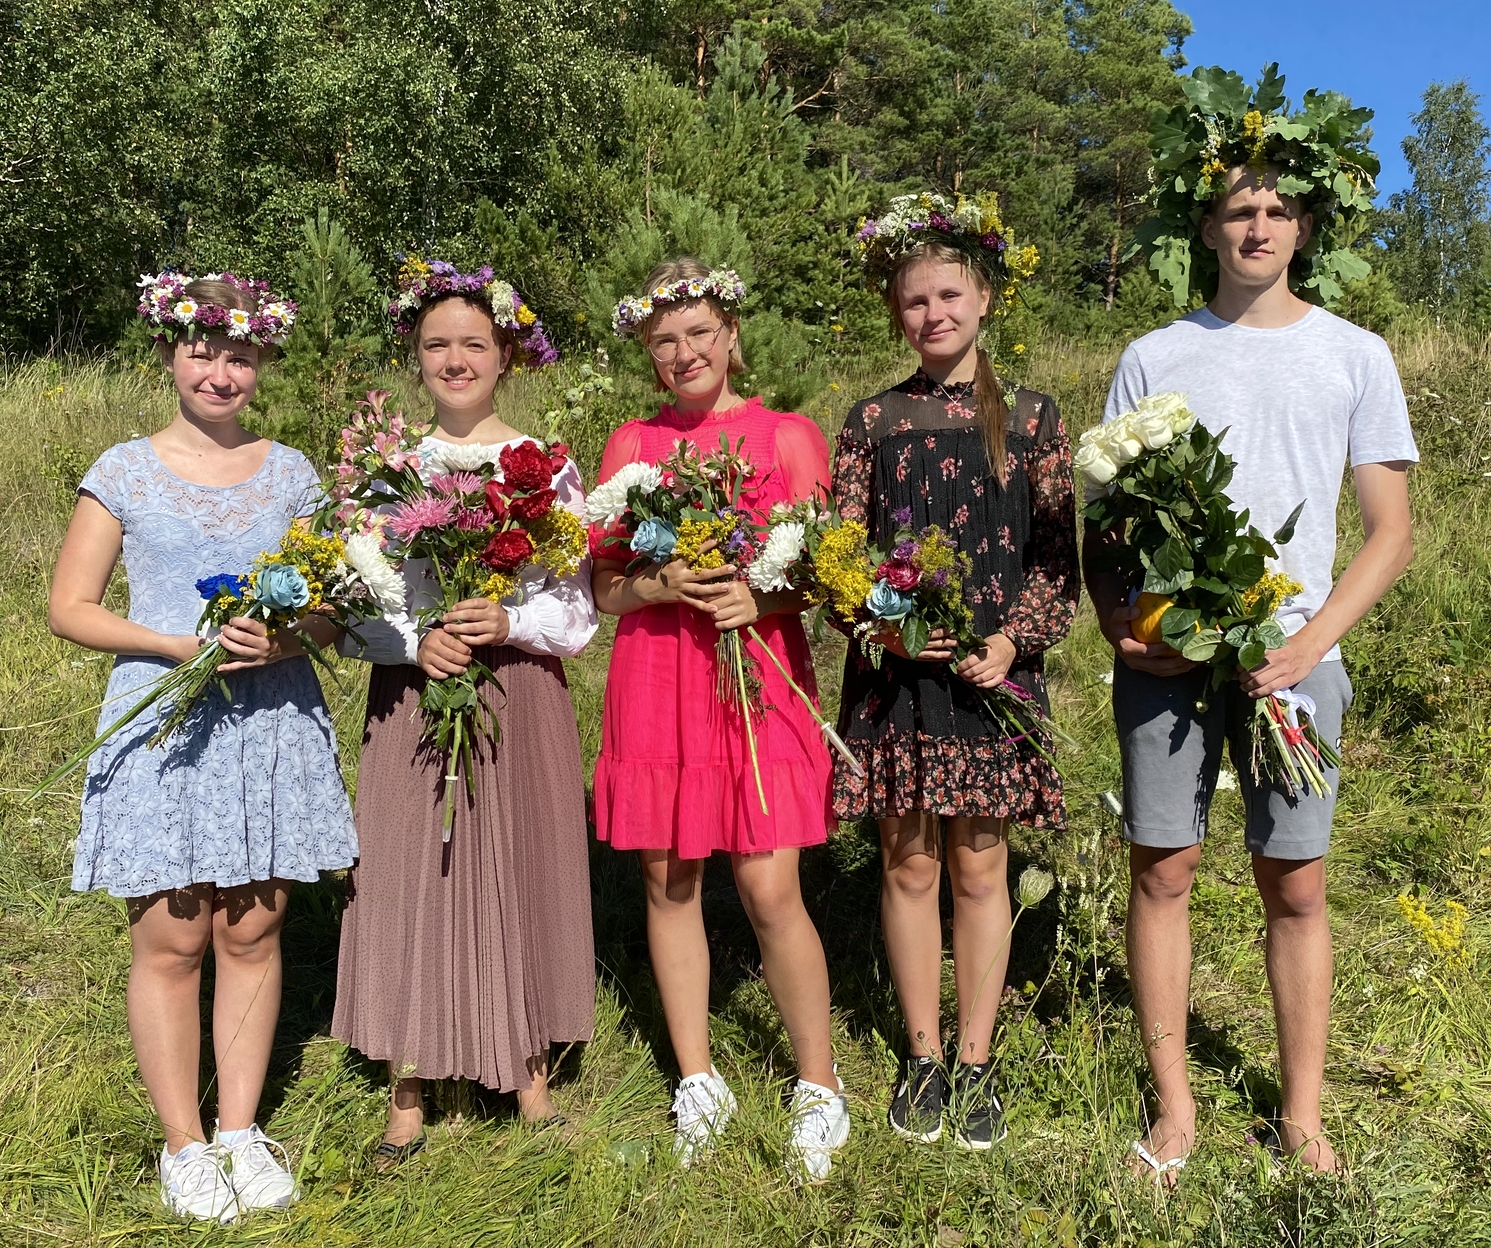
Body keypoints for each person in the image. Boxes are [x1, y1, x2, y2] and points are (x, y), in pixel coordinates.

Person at [1092, 69, 1415, 1184]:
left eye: (1278, 209)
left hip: (1296, 658)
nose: (1259, 226)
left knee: (1298, 883)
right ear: (1207, 225)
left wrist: (1309, 645)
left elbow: (1388, 533)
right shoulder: (1155, 355)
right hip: (1171, 656)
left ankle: (1303, 1118)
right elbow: (1108, 521)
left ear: (1306, 227)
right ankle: (1175, 1110)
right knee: (1164, 869)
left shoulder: (1355, 353)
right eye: (1239, 208)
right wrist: (1121, 622)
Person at [48, 273, 356, 1222]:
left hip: (270, 722)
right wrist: (180, 645)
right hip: (165, 726)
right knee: (173, 938)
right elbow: (70, 608)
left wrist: (289, 639)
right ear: (168, 353)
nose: (220, 373)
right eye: (202, 352)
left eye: (240, 357)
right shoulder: (123, 471)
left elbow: (334, 612)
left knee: (252, 930)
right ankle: (183, 1143)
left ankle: (240, 1132)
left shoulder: (293, 473)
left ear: (261, 364)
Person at [328, 259, 596, 1163]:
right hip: (417, 693)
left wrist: (508, 619)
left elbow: (577, 607)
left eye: (473, 344)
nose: (455, 360)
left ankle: (527, 1072)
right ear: (415, 354)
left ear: (505, 354)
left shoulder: (548, 466)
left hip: (518, 689)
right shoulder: (387, 468)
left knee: (516, 863)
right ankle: (408, 1085)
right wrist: (416, 642)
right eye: (436, 344)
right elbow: (351, 598)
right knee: (411, 868)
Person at [588, 259, 847, 1181]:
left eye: (699, 332)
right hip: (658, 679)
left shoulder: (788, 437)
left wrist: (762, 600)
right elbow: (604, 588)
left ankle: (818, 1083)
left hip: (756, 679)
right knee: (669, 883)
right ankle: (697, 1080)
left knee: (770, 888)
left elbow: (826, 574)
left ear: (733, 334)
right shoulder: (631, 446)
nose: (684, 352)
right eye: (664, 340)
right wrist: (659, 582)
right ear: (647, 352)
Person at [833, 193, 1076, 1150]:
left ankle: (976, 1061)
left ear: (984, 300)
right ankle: (922, 1055)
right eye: (914, 300)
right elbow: (839, 562)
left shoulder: (1033, 417)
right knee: (908, 864)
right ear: (896, 313)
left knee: (980, 868)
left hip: (993, 678)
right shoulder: (872, 421)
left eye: (948, 295)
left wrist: (1015, 641)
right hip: (897, 678)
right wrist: (885, 632)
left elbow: (1056, 559)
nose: (932, 313)